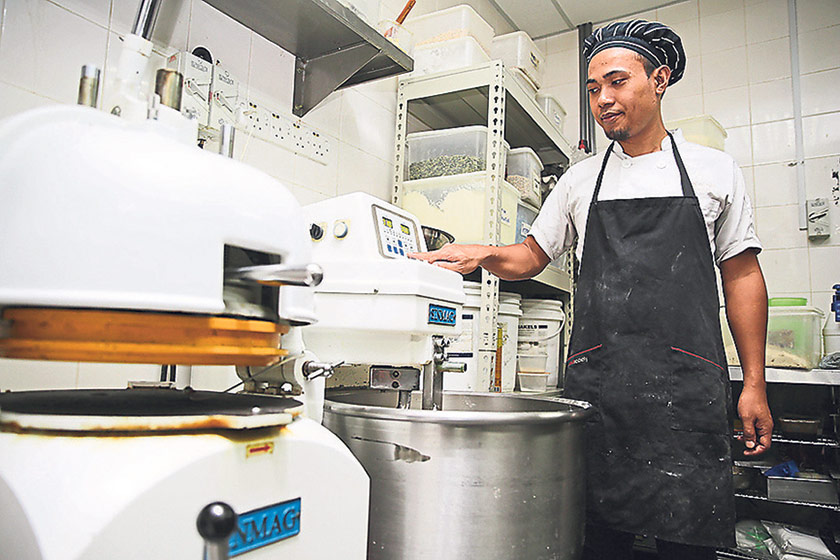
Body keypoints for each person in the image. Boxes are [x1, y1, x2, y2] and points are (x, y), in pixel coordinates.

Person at [409, 19, 774, 560]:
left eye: (618, 82)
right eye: (593, 88)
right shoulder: (581, 179)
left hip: (687, 387)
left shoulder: (713, 171)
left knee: (687, 543)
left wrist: (754, 383)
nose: (603, 99)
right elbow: (531, 256)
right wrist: (483, 253)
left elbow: (742, 275)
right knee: (598, 540)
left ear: (660, 80)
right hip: (600, 390)